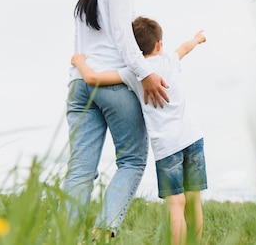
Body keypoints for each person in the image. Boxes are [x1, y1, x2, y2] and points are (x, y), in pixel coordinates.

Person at [62, 0, 169, 239]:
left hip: (79, 84)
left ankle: (67, 235)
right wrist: (145, 72)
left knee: (80, 167)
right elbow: (124, 35)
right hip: (112, 83)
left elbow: (79, 48)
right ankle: (102, 231)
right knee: (132, 160)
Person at [72, 16, 208, 245]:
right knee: (194, 202)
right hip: (192, 139)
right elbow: (185, 47)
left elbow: (92, 78)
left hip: (167, 149)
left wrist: (79, 61)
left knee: (176, 205)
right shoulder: (169, 60)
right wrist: (198, 38)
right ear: (159, 44)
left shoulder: (133, 73)